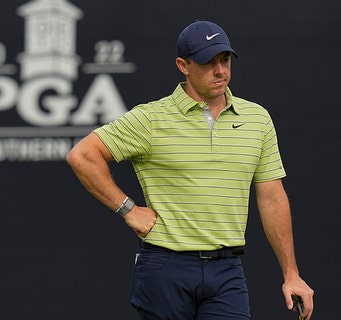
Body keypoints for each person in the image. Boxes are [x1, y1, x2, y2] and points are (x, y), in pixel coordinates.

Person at [66, 20, 314, 320]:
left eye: (224, 60)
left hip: (227, 270)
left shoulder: (257, 118)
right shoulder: (151, 118)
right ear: (183, 65)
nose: (220, 71)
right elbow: (83, 155)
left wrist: (291, 274)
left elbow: (272, 197)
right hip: (164, 268)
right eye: (208, 63)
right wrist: (128, 210)